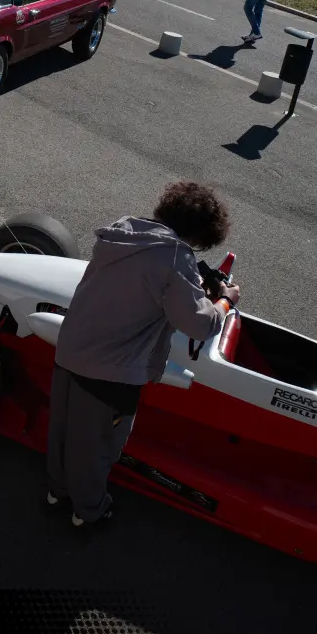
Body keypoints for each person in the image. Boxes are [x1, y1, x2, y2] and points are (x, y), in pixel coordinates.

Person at [46, 180, 239, 529]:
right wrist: (224, 301)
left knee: (63, 430)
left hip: (71, 348)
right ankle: (88, 511)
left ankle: (57, 490)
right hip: (110, 371)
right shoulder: (176, 257)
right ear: (199, 235)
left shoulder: (126, 232)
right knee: (96, 446)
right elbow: (199, 324)